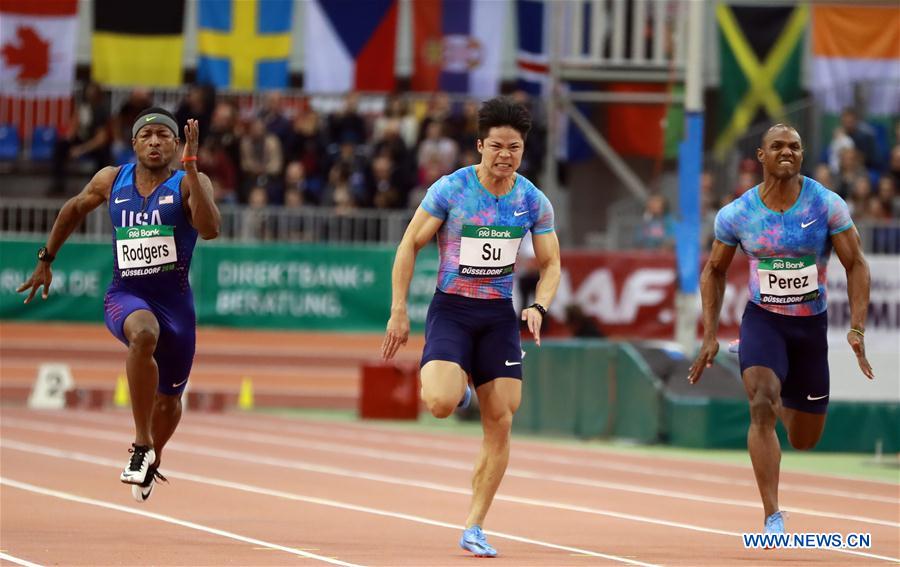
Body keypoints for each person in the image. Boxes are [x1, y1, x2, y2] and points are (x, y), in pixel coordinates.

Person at [381, 97, 561, 557]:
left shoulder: (532, 200)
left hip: (499, 315)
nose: (505, 155)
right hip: (453, 310)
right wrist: (399, 308)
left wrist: (539, 305)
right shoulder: (452, 190)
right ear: (480, 145)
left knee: (502, 417)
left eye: (515, 147)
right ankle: (460, 387)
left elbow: (551, 263)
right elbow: (410, 243)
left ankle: (474, 526)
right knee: (440, 403)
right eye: (497, 146)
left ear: (524, 150)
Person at [17, 109, 220, 502]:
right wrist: (46, 258)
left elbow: (209, 229)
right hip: (125, 296)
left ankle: (152, 458)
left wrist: (193, 170)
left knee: (169, 401)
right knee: (143, 335)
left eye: (164, 135)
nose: (155, 142)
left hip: (177, 308)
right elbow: (73, 209)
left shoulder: (188, 183)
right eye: (147, 136)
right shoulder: (112, 179)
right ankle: (141, 443)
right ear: (134, 144)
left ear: (177, 145)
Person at [688, 124, 873, 535]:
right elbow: (714, 270)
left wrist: (857, 328)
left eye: (794, 146)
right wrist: (709, 335)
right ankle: (772, 513)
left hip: (810, 328)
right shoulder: (738, 213)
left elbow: (856, 264)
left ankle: (781, 378)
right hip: (763, 320)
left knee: (805, 438)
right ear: (761, 155)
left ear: (802, 155)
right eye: (778, 146)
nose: (786, 152)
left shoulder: (827, 205)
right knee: (761, 402)